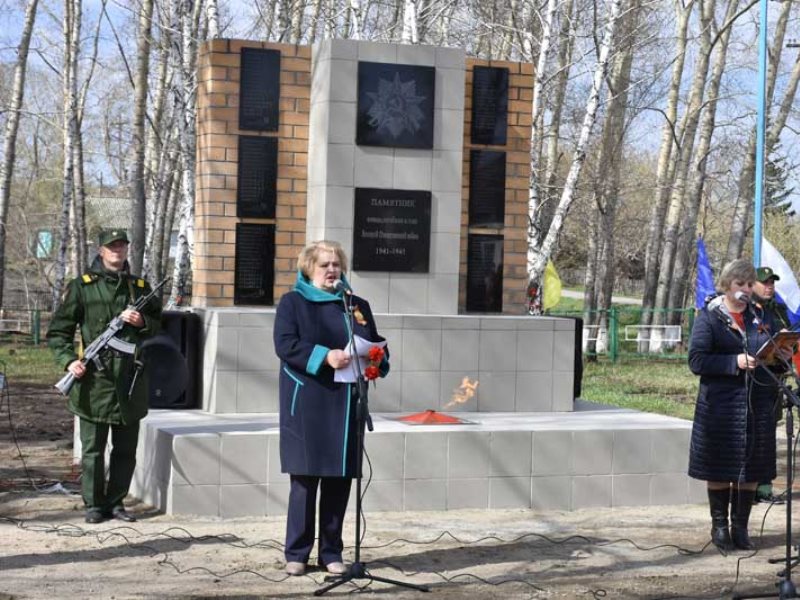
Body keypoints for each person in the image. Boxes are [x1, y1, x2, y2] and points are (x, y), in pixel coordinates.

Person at [273, 240, 389, 576]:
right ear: (308, 268)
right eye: (324, 265)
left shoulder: (356, 305)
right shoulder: (293, 302)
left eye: (337, 264)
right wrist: (324, 356)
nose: (332, 270)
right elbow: (285, 344)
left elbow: (375, 346)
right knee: (305, 481)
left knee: (339, 481)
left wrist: (376, 361)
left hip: (345, 403)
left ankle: (331, 551)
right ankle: (297, 552)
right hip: (308, 402)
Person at [47, 230, 162, 524]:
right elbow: (58, 332)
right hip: (94, 382)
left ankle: (116, 502)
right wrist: (69, 361)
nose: (118, 251)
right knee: (93, 451)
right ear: (101, 251)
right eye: (112, 247)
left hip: (130, 381)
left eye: (122, 246)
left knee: (125, 449)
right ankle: (94, 504)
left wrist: (142, 322)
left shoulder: (140, 288)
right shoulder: (83, 287)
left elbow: (158, 326)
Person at [688, 258, 783, 552]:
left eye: (747, 284)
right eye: (738, 284)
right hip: (721, 407)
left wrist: (779, 356)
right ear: (726, 286)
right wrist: (735, 362)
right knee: (719, 468)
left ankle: (741, 529)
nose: (743, 288)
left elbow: (776, 351)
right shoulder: (710, 317)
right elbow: (697, 360)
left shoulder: (762, 317)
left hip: (757, 405)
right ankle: (720, 528)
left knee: (751, 468)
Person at [752, 266, 791, 504]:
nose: (769, 287)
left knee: (767, 437)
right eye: (764, 282)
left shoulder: (776, 312)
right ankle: (746, 487)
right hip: (748, 383)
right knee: (751, 437)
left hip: (772, 382)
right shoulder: (747, 312)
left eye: (772, 283)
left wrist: (787, 350)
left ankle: (764, 488)